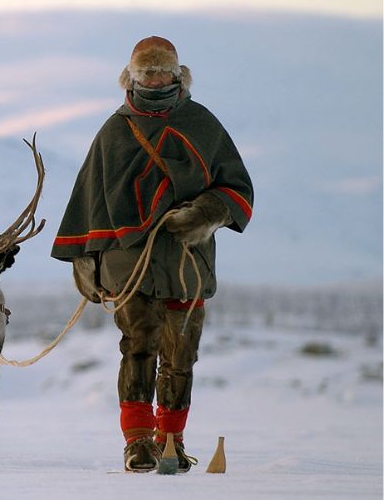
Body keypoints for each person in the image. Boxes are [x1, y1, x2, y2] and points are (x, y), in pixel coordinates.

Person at [50, 36, 254, 472]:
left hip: (186, 258)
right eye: (147, 73)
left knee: (181, 350)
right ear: (133, 77)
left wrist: (205, 213)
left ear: (178, 75)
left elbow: (236, 187)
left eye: (163, 72)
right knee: (138, 344)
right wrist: (87, 260)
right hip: (129, 260)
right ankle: (139, 440)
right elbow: (89, 200)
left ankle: (172, 439)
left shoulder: (202, 124)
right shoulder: (114, 130)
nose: (156, 79)